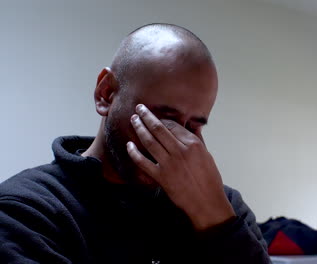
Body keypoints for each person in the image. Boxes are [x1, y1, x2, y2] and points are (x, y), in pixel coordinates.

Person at [0, 23, 270, 264]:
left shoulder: (225, 205)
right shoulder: (26, 210)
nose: (179, 142)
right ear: (106, 94)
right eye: (163, 119)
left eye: (194, 125)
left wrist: (217, 221)